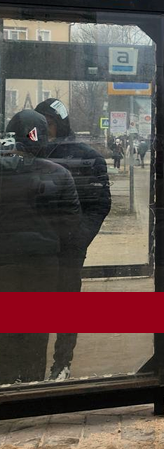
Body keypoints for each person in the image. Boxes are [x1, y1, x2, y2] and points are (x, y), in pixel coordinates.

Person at [0, 110, 80, 385]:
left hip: (5, 263)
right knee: (36, 328)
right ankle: (33, 385)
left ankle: (7, 383)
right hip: (44, 265)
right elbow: (71, 226)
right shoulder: (59, 174)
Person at [35, 98, 113, 381]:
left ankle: (62, 362)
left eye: (50, 124)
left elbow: (100, 203)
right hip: (34, 248)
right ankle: (32, 365)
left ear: (60, 123)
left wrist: (78, 239)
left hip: (68, 247)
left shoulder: (85, 156)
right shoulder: (30, 153)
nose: (45, 130)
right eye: (40, 125)